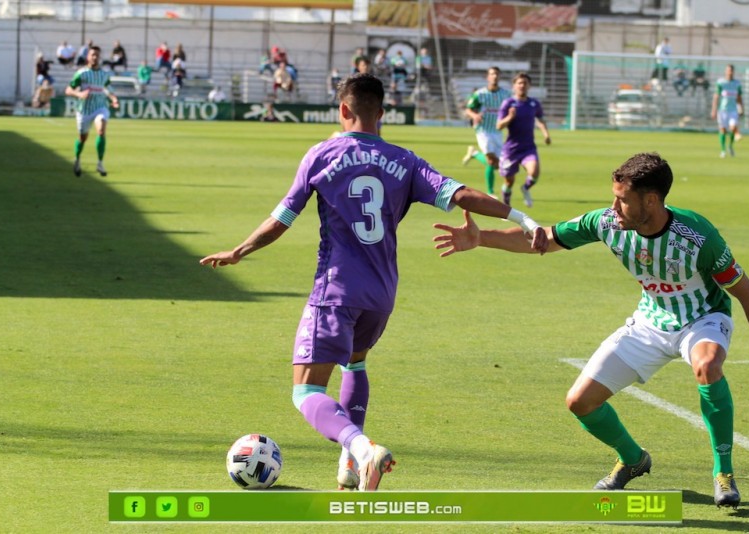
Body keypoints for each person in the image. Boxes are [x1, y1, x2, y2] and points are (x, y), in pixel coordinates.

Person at [200, 73, 546, 492]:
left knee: (305, 391)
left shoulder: (321, 154)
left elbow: (283, 219)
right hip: (382, 294)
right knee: (355, 362)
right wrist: (520, 217)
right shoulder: (406, 161)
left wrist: (240, 250)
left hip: (335, 290)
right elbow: (462, 194)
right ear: (382, 113)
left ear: (343, 110)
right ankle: (349, 468)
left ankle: (363, 450)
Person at [433, 152, 749, 508]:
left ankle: (723, 473)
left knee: (708, 365)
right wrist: (482, 239)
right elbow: (543, 239)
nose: (614, 206)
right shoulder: (606, 222)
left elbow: (747, 294)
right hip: (650, 321)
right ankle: (633, 458)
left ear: (650, 200)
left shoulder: (698, 237)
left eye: (622, 199)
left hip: (703, 318)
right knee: (579, 402)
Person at [496, 72, 551, 207]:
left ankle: (525, 188)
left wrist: (546, 134)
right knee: (509, 182)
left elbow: (541, 120)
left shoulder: (534, 103)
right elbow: (498, 126)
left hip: (528, 147)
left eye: (525, 83)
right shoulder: (508, 103)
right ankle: (506, 203)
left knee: (534, 172)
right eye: (519, 83)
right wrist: (509, 117)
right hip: (511, 149)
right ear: (514, 86)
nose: (522, 85)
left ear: (529, 86)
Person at [65, 46, 119, 177]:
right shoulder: (81, 73)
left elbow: (108, 89)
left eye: (97, 55)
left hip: (100, 107)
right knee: (82, 138)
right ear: (88, 57)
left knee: (101, 130)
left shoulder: (104, 75)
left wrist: (113, 99)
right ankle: (77, 159)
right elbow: (68, 90)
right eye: (92, 54)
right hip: (84, 110)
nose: (95, 57)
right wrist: (79, 94)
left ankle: (100, 163)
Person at [461, 67, 511, 198]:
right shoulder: (480, 94)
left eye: (497, 74)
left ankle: (475, 153)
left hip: (498, 131)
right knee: (490, 161)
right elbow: (468, 109)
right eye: (492, 74)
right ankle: (490, 192)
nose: (494, 76)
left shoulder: (505, 94)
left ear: (499, 77)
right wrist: (474, 116)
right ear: (487, 77)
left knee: (497, 165)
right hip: (483, 131)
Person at [711, 64, 744, 158]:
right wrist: (714, 110)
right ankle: (723, 150)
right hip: (723, 110)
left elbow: (739, 97)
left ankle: (730, 146)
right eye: (728, 70)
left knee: (733, 127)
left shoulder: (737, 83)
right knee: (723, 130)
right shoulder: (721, 83)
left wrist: (741, 108)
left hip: (733, 110)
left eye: (731, 70)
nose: (730, 72)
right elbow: (716, 97)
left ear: (733, 72)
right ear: (726, 71)